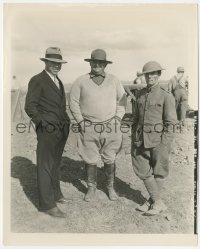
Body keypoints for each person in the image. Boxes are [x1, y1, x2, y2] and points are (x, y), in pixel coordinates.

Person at [69, 49, 126, 202]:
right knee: (90, 159)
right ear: (90, 63)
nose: (97, 65)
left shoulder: (114, 80)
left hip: (110, 126)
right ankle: (91, 188)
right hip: (88, 126)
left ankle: (110, 187)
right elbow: (73, 102)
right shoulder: (80, 81)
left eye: (100, 63)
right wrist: (81, 122)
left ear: (105, 65)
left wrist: (118, 118)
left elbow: (123, 100)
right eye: (94, 62)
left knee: (110, 158)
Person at [25, 47, 70, 218]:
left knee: (55, 163)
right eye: (52, 63)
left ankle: (56, 194)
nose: (56, 66)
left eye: (59, 63)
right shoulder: (37, 80)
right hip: (48, 130)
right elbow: (30, 106)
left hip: (62, 129)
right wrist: (43, 124)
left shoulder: (58, 81)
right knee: (44, 165)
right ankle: (47, 205)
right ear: (46, 62)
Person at [131, 61, 177, 216]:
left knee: (159, 171)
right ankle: (157, 202)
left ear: (159, 75)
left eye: (153, 73)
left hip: (159, 141)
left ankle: (153, 202)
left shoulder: (166, 95)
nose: (150, 76)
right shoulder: (140, 94)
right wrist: (134, 136)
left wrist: (165, 143)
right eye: (147, 74)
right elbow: (136, 118)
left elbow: (171, 123)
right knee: (142, 169)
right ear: (144, 75)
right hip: (141, 139)